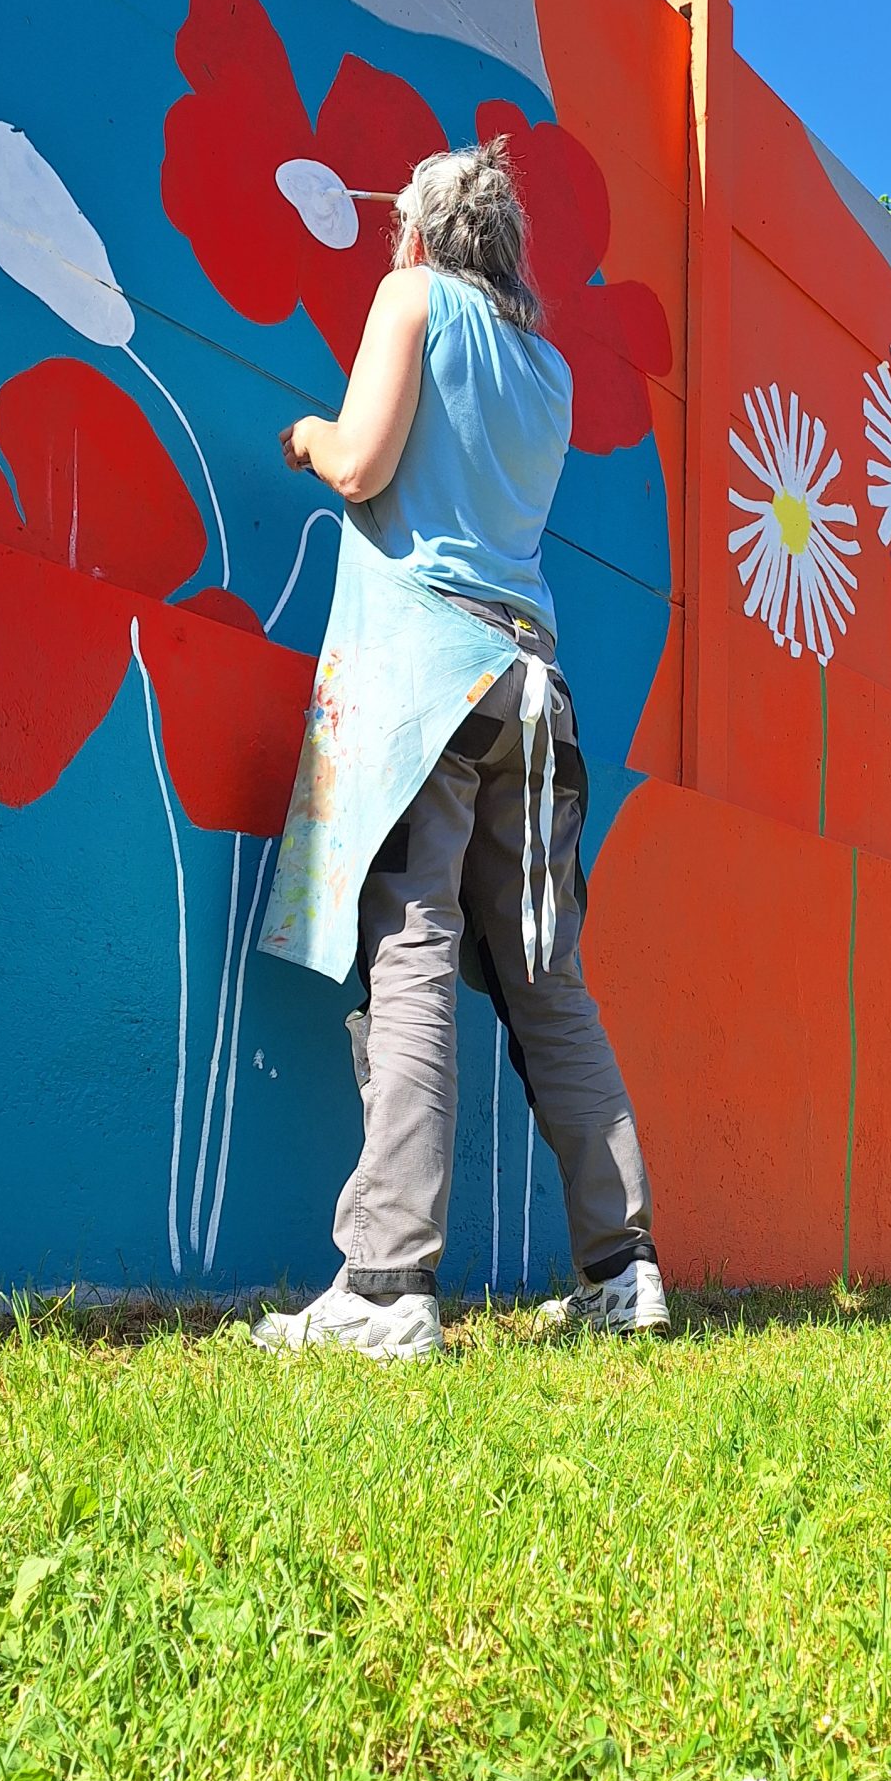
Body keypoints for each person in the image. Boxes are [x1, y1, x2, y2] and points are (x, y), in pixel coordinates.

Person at [253, 141, 667, 1360]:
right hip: (534, 689)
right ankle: (625, 1270)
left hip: (427, 675)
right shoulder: (549, 368)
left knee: (413, 950)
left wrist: (309, 434)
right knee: (549, 980)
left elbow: (365, 462)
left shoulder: (412, 295)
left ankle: (387, 1286)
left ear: (424, 234)